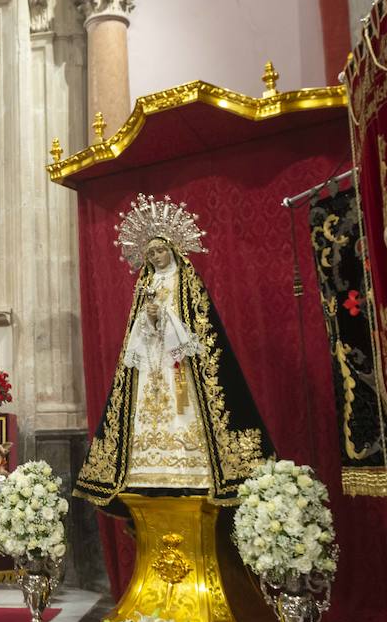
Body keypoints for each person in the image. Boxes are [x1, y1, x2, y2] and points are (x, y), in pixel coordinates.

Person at [73, 194, 273, 508]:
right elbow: (135, 332)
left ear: (172, 249)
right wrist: (148, 320)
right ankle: (147, 472)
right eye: (150, 253)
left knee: (185, 410)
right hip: (152, 363)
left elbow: (199, 325)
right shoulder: (145, 284)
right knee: (147, 411)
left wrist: (164, 318)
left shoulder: (186, 280)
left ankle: (192, 469)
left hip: (180, 363)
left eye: (160, 250)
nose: (156, 256)